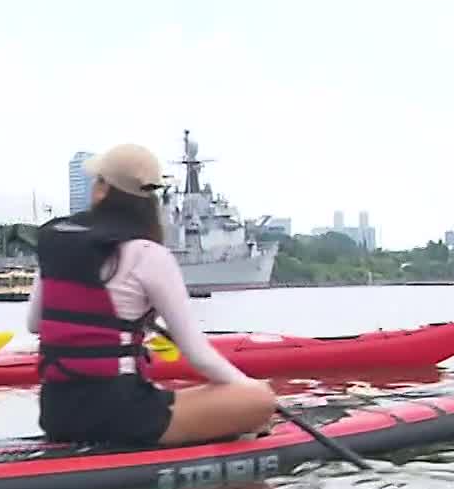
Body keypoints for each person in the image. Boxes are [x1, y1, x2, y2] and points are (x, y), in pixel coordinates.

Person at [28, 142, 276, 446]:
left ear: (104, 190)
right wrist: (253, 389)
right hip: (122, 416)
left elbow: (35, 325)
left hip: (56, 414)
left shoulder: (57, 242)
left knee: (171, 397)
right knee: (258, 399)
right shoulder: (149, 254)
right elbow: (198, 355)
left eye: (99, 180)